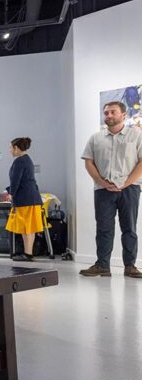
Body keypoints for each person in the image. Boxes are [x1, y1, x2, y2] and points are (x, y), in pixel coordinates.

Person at [80, 101, 142, 278]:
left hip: (130, 189)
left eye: (112, 112)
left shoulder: (136, 136)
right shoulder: (95, 138)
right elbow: (89, 162)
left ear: (123, 115)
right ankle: (102, 265)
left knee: (129, 228)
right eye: (106, 113)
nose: (108, 116)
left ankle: (130, 266)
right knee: (104, 228)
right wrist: (102, 182)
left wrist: (126, 183)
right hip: (103, 189)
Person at [3, 138, 43, 262]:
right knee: (29, 228)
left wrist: (11, 193)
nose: (9, 150)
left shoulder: (19, 161)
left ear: (16, 148)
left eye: (11, 147)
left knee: (26, 228)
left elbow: (16, 180)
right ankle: (28, 253)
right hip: (32, 197)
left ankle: (27, 253)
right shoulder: (27, 160)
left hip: (25, 199)